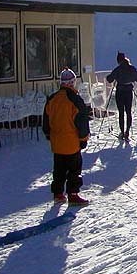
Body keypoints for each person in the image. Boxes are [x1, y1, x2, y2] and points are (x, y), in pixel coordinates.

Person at [43, 68, 90, 205]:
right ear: (72, 82)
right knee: (74, 169)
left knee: (59, 169)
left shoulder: (52, 98)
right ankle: (73, 194)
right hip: (71, 142)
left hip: (57, 142)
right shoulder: (75, 99)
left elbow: (46, 120)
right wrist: (83, 139)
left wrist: (48, 134)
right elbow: (81, 122)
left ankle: (58, 194)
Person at [106, 52, 137, 140]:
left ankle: (122, 132)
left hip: (120, 92)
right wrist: (130, 79)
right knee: (128, 112)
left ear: (118, 61)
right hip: (129, 91)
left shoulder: (117, 69)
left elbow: (110, 79)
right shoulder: (131, 68)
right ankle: (127, 131)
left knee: (121, 113)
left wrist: (109, 77)